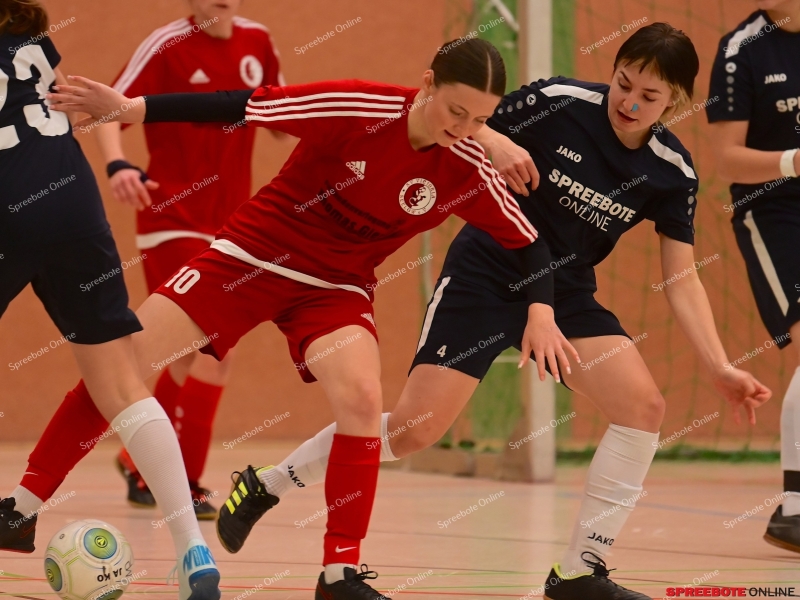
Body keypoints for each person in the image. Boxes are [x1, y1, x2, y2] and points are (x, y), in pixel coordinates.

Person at [216, 23, 773, 600]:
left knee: (643, 408)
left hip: (564, 297)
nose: (629, 102)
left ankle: (581, 570)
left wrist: (717, 365)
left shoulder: (671, 171)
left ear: (676, 102)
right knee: (413, 432)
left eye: (649, 97)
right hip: (485, 274)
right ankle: (269, 484)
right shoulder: (556, 102)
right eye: (623, 83)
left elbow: (680, 277)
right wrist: (494, 139)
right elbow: (453, 121)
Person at [7, 38, 578, 599]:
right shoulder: (357, 106)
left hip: (336, 287)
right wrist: (134, 109)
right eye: (456, 111)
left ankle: (339, 572)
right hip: (254, 254)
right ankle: (21, 507)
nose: (464, 127)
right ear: (426, 83)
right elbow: (243, 104)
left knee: (360, 398)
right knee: (123, 365)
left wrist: (542, 310)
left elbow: (528, 243)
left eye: (480, 119)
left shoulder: (470, 162)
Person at [0, 2, 221, 598]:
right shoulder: (27, 31)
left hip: (8, 201)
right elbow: (58, 102)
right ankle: (191, 550)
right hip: (74, 198)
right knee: (122, 383)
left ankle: (17, 510)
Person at [96, 0, 286, 517]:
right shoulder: (165, 44)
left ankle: (142, 466)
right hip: (172, 217)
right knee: (206, 351)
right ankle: (184, 482)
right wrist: (117, 163)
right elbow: (111, 107)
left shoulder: (258, 41)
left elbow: (283, 119)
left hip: (232, 226)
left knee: (192, 355)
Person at [707, 0, 800, 553]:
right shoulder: (740, 51)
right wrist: (793, 160)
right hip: (775, 209)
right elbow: (727, 159)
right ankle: (794, 509)